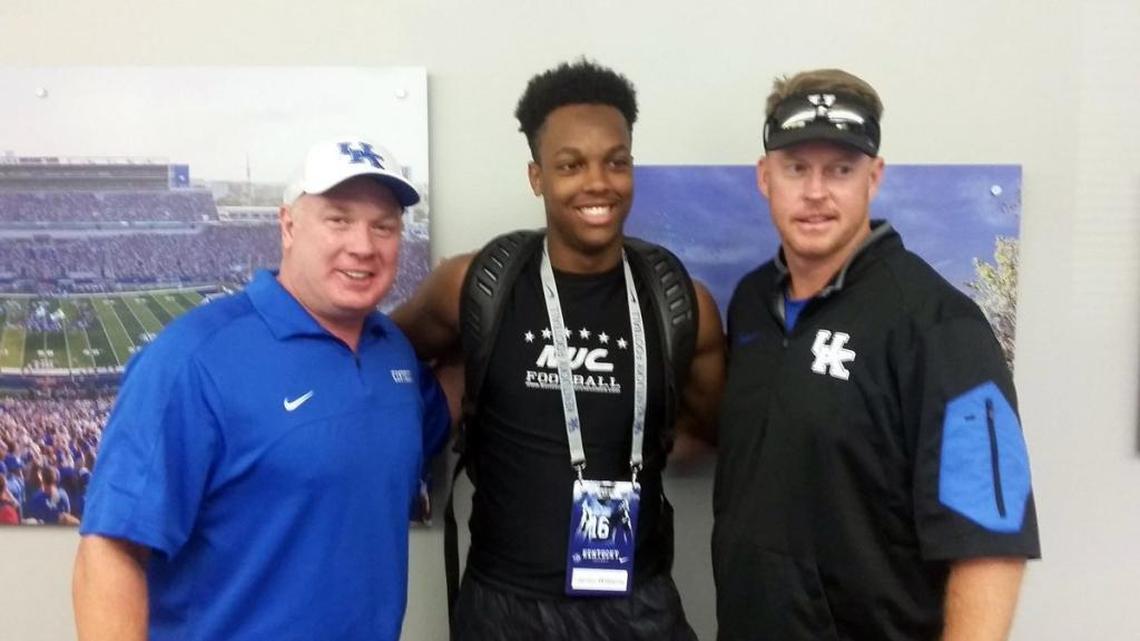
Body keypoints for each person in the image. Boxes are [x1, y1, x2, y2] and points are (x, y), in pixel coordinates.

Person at [393, 59, 725, 641]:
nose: (597, 182)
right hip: (503, 604)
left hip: (635, 605)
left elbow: (708, 428)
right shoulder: (475, 285)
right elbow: (383, 356)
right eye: (571, 165)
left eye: (616, 162)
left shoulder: (680, 304)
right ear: (537, 176)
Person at [72, 138, 450, 641]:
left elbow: (444, 402)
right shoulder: (192, 358)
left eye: (383, 226)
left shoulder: (393, 353)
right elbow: (110, 551)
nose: (363, 245)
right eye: (338, 219)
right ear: (288, 224)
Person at [712, 69, 1041, 641]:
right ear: (765, 178)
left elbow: (991, 538)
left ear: (875, 177)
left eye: (840, 169)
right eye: (797, 168)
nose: (816, 192)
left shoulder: (939, 326)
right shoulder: (748, 306)